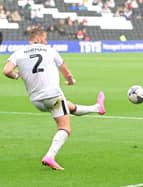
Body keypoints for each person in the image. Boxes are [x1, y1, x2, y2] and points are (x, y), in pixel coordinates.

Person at [3, 27, 106, 171]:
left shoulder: (18, 53)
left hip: (36, 101)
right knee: (65, 127)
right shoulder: (50, 50)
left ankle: (97, 107)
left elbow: (7, 71)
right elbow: (66, 71)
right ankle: (50, 156)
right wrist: (70, 81)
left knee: (67, 106)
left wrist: (16, 75)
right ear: (38, 38)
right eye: (45, 38)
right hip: (52, 95)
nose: (46, 41)